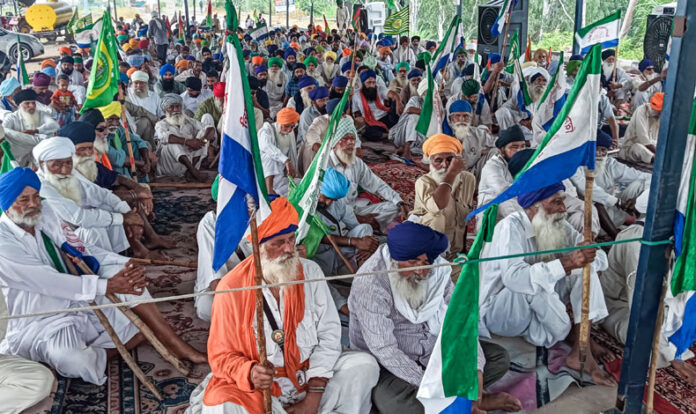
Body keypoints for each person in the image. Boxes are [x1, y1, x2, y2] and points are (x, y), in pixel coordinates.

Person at [0, 168, 206, 386]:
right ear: (6, 201)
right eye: (23, 199)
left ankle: (174, 342)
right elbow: (46, 281)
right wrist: (106, 286)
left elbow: (79, 247)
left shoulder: (45, 213)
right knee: (76, 361)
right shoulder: (3, 242)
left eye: (36, 197)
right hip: (40, 320)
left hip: (75, 300)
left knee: (126, 279)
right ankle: (129, 340)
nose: (33, 204)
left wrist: (122, 265)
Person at [187, 196, 380, 413]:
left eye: (291, 239)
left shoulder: (310, 271)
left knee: (364, 366)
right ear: (257, 245)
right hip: (263, 388)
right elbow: (221, 356)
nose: (289, 249)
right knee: (223, 404)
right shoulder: (231, 286)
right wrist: (250, 372)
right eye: (278, 243)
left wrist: (313, 397)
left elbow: (329, 333)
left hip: (309, 376)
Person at [350, 222, 521, 414]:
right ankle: (462, 401)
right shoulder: (371, 283)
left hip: (434, 352)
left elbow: (459, 322)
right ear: (394, 259)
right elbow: (385, 349)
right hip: (392, 367)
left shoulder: (437, 271)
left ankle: (472, 399)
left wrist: (476, 370)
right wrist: (432, 387)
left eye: (425, 263)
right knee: (400, 405)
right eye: (412, 263)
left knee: (497, 358)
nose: (420, 271)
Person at [479, 183, 616, 386]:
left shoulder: (558, 223)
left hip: (540, 312)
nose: (564, 209)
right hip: (503, 311)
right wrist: (567, 262)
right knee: (534, 285)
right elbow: (514, 278)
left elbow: (601, 260)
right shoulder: (510, 227)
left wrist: (589, 252)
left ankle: (581, 347)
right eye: (556, 202)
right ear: (534, 207)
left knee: (584, 269)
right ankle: (571, 334)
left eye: (563, 201)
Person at [599, 190, 696, 382]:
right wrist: (674, 359)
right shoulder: (638, 242)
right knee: (648, 347)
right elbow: (642, 306)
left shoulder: (671, 235)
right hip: (619, 308)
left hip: (659, 303)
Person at [328, 117, 406, 232]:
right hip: (335, 217)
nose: (351, 143)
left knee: (394, 207)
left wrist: (400, 202)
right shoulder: (325, 165)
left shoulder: (356, 163)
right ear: (335, 141)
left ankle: (367, 227)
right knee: (337, 225)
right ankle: (363, 229)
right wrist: (358, 219)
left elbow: (377, 185)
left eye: (353, 139)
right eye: (345, 138)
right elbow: (324, 205)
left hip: (355, 211)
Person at [570, 132, 651, 236]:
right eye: (596, 149)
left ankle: (639, 228)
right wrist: (617, 202)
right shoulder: (575, 165)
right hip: (589, 220)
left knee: (641, 184)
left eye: (603, 150)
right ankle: (615, 237)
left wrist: (637, 200)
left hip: (614, 213)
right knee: (594, 200)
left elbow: (648, 177)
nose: (599, 154)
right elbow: (587, 190)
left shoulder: (609, 164)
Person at [412, 134, 476, 259]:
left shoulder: (468, 179)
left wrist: (462, 251)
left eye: (450, 160)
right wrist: (451, 174)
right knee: (437, 217)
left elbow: (464, 219)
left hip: (455, 252)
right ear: (430, 161)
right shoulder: (424, 182)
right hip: (426, 252)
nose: (445, 166)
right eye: (438, 160)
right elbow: (437, 206)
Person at [313, 167, 378, 279]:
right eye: (327, 198)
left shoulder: (338, 203)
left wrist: (367, 244)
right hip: (318, 257)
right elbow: (316, 236)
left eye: (333, 200)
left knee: (365, 229)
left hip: (338, 251)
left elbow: (356, 226)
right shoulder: (304, 205)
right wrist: (353, 241)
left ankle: (363, 269)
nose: (329, 203)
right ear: (319, 189)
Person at [155, 94, 215, 181]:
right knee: (171, 143)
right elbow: (164, 137)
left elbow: (210, 128)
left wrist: (203, 140)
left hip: (188, 164)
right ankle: (194, 172)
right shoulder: (161, 124)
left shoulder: (188, 120)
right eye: (171, 107)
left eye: (178, 106)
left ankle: (191, 171)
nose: (175, 110)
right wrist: (187, 142)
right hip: (170, 166)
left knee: (203, 134)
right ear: (165, 110)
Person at [98, 101, 155, 181]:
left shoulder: (117, 131)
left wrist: (146, 161)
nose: (115, 124)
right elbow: (118, 159)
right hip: (110, 174)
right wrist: (142, 164)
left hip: (128, 168)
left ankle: (142, 181)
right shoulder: (99, 136)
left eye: (117, 120)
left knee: (133, 145)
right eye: (110, 120)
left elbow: (140, 142)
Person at [3, 89, 59, 166]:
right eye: (27, 103)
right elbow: (3, 131)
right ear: (19, 105)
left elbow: (54, 125)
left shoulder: (42, 114)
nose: (32, 106)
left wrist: (35, 131)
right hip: (19, 154)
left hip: (39, 152)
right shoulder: (12, 117)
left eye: (33, 103)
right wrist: (21, 135)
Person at [443, 99, 496, 179]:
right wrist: (479, 152)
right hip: (453, 175)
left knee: (495, 152)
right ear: (451, 118)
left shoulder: (477, 133)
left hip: (474, 172)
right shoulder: (444, 136)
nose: (462, 120)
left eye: (465, 116)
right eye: (457, 116)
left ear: (470, 118)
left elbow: (497, 143)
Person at [258, 107, 300, 196]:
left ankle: (276, 195)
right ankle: (269, 192)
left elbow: (292, 156)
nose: (289, 130)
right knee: (269, 156)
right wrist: (286, 161)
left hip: (280, 178)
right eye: (286, 126)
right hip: (264, 176)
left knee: (301, 184)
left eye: (292, 127)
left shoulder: (290, 134)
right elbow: (266, 146)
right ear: (279, 122)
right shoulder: (266, 130)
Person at [352, 69, 401, 141]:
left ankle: (390, 133)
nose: (372, 85)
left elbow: (394, 95)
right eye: (369, 83)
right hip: (371, 122)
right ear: (363, 83)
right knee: (366, 132)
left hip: (386, 117)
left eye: (373, 82)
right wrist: (360, 120)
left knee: (395, 103)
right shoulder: (356, 95)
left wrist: (399, 103)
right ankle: (390, 135)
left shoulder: (379, 88)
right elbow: (356, 113)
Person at [620, 92, 663, 164]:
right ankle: (657, 160)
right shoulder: (641, 111)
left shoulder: (659, 115)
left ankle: (657, 158)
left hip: (649, 146)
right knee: (638, 148)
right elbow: (643, 138)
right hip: (631, 147)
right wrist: (659, 154)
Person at [126, 71, 162, 146]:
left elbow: (161, 114)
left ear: (147, 83)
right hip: (133, 129)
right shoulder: (127, 94)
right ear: (132, 83)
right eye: (136, 83)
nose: (139, 85)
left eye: (142, 83)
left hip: (153, 130)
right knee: (144, 120)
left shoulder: (154, 96)